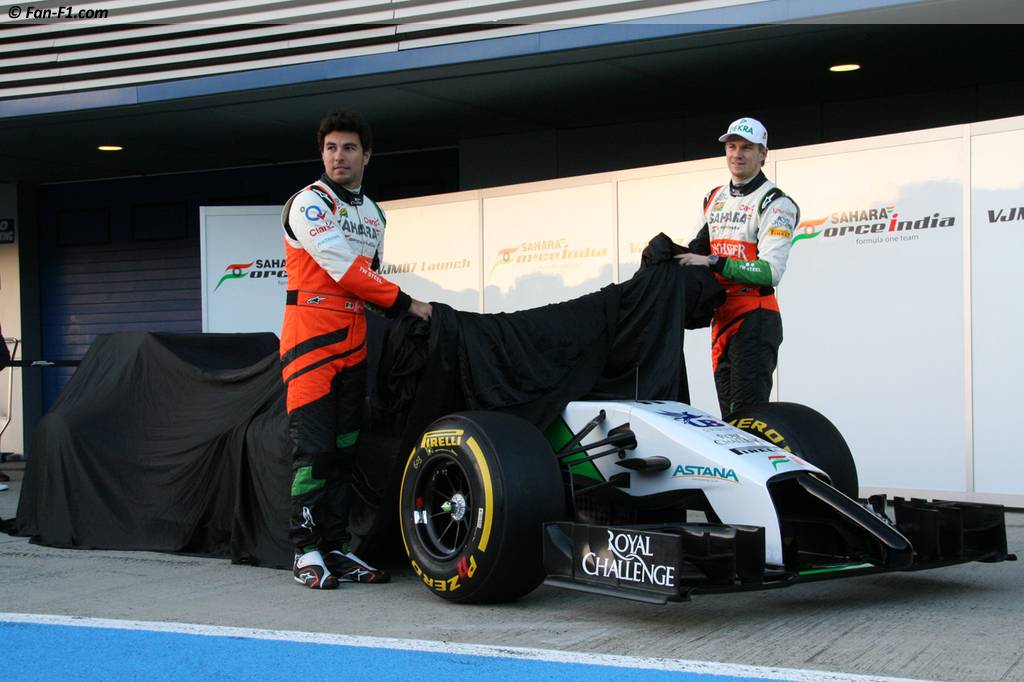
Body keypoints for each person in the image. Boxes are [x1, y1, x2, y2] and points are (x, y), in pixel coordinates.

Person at [280, 110, 432, 589]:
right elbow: (345, 269)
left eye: (348, 148)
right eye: (330, 148)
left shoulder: (375, 214)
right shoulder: (309, 203)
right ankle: (304, 550)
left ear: (367, 155)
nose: (338, 156)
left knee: (347, 451)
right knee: (314, 451)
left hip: (355, 341)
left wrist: (400, 314)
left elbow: (369, 281)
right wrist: (408, 304)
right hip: (310, 340)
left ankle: (336, 546)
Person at [675, 117, 799, 418]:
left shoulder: (776, 202)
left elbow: (770, 272)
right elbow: (696, 250)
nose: (737, 154)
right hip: (721, 316)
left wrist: (715, 261)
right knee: (728, 418)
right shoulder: (713, 198)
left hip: (755, 316)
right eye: (732, 147)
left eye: (746, 147)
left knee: (747, 415)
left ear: (763, 153)